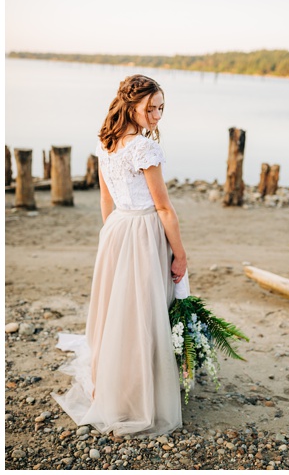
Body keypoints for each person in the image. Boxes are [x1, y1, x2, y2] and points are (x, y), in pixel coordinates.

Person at [53, 74, 185, 435]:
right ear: (132, 105)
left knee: (119, 312)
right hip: (142, 232)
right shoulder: (143, 148)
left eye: (161, 108)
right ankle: (136, 397)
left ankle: (116, 386)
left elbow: (105, 198)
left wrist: (109, 233)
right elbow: (165, 209)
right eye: (151, 108)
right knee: (141, 312)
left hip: (115, 230)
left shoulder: (105, 141)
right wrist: (181, 256)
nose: (158, 115)